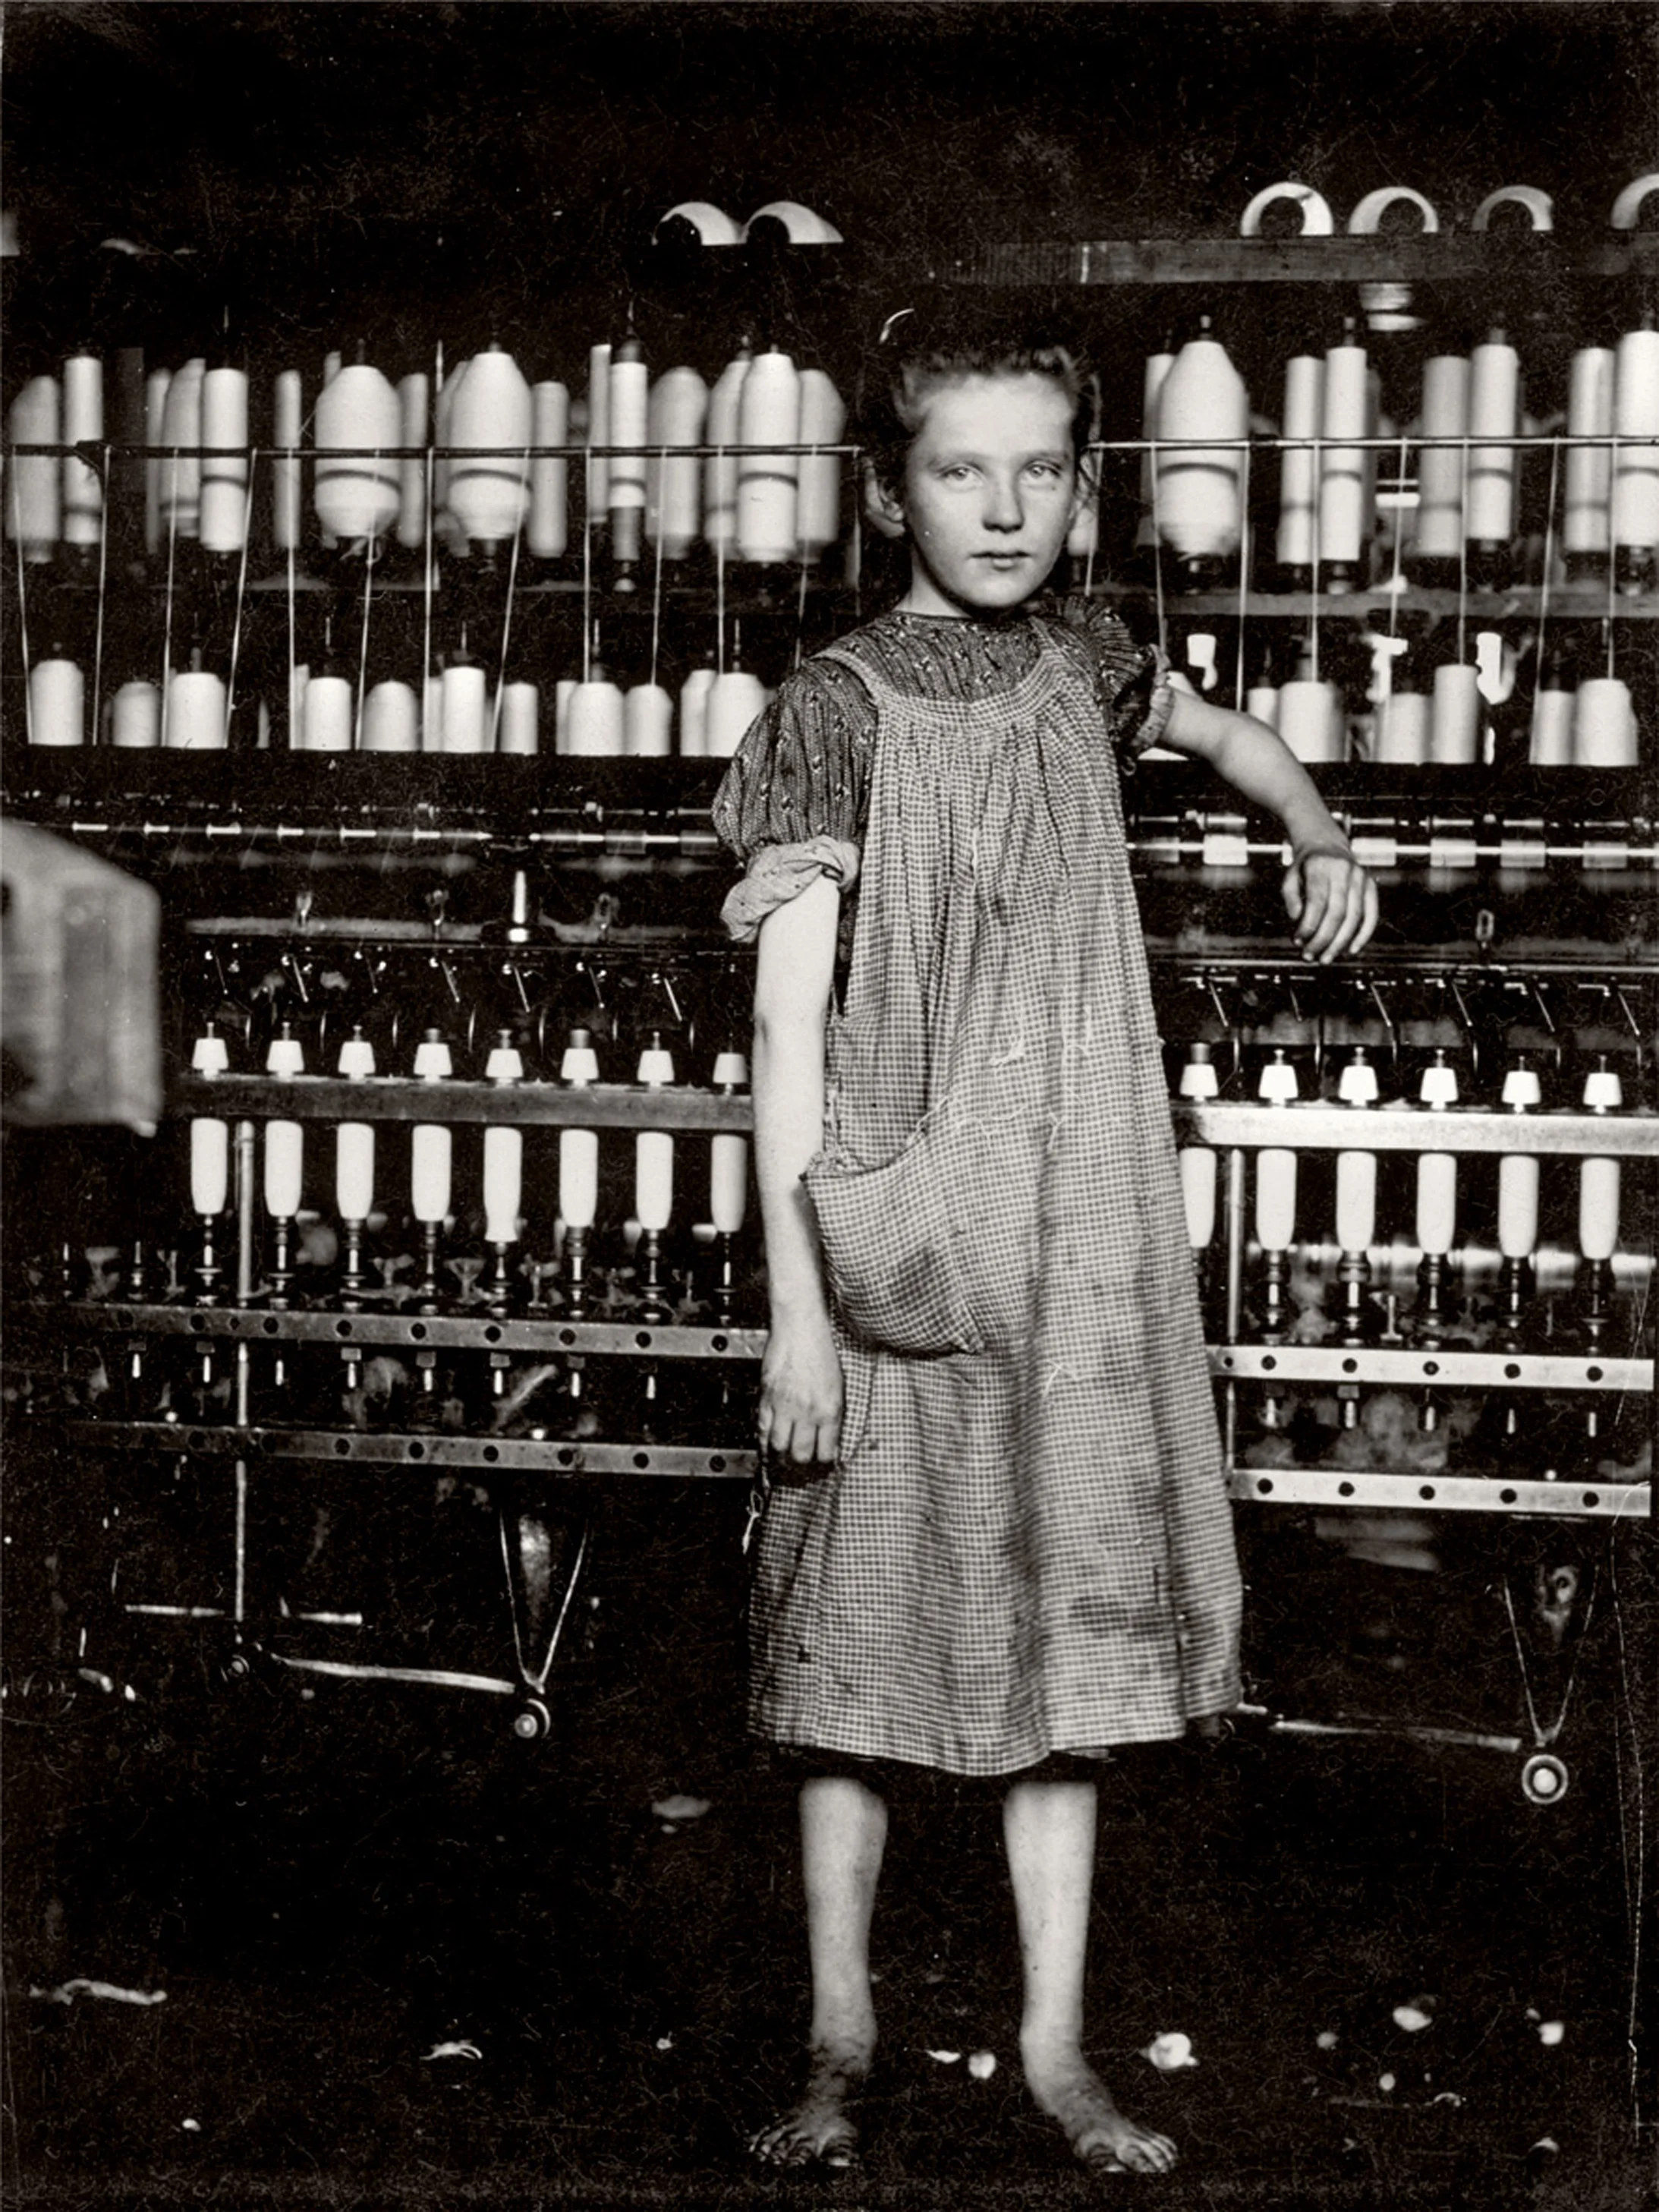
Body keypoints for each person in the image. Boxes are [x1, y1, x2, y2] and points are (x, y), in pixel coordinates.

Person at [710, 314, 1378, 2179]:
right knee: (849, 1656)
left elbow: (1229, 731)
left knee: (1062, 1661)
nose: (999, 508)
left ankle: (1057, 2049)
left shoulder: (1091, 656)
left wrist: (1314, 825)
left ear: (1085, 485)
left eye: (1037, 471)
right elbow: (782, 1034)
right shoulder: (833, 708)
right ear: (885, 489)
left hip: (1072, 1238)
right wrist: (803, 1317)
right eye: (955, 470)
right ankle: (840, 2037)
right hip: (894, 1235)